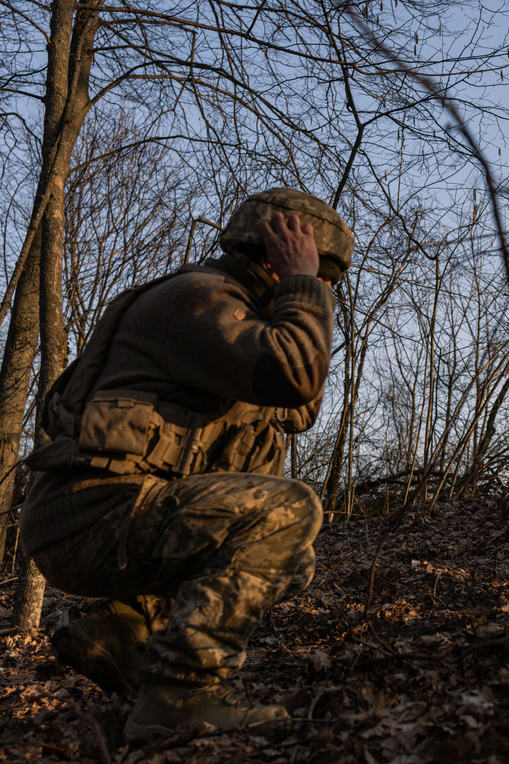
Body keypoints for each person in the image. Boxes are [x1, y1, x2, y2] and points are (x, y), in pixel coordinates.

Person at [19, 188, 352, 741]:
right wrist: (300, 285)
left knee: (294, 558)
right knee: (287, 511)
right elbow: (295, 374)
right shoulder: (201, 300)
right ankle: (179, 693)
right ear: (274, 257)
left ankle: (125, 629)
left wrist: (295, 295)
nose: (325, 292)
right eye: (322, 277)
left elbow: (298, 407)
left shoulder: (237, 319)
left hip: (112, 511)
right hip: (92, 511)